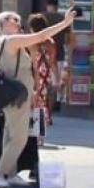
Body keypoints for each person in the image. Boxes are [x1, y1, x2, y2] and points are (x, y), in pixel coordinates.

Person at [0, 8, 77, 188]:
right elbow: (41, 35)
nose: (17, 22)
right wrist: (65, 23)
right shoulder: (10, 40)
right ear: (3, 23)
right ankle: (1, 174)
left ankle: (9, 173)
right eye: (13, 19)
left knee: (11, 134)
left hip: (17, 95)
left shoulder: (5, 41)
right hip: (17, 96)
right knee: (19, 137)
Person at [26, 13, 57, 145]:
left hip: (31, 75)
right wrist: (57, 78)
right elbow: (53, 62)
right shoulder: (50, 42)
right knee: (42, 105)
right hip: (45, 77)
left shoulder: (29, 41)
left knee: (32, 105)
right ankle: (40, 137)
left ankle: (32, 134)